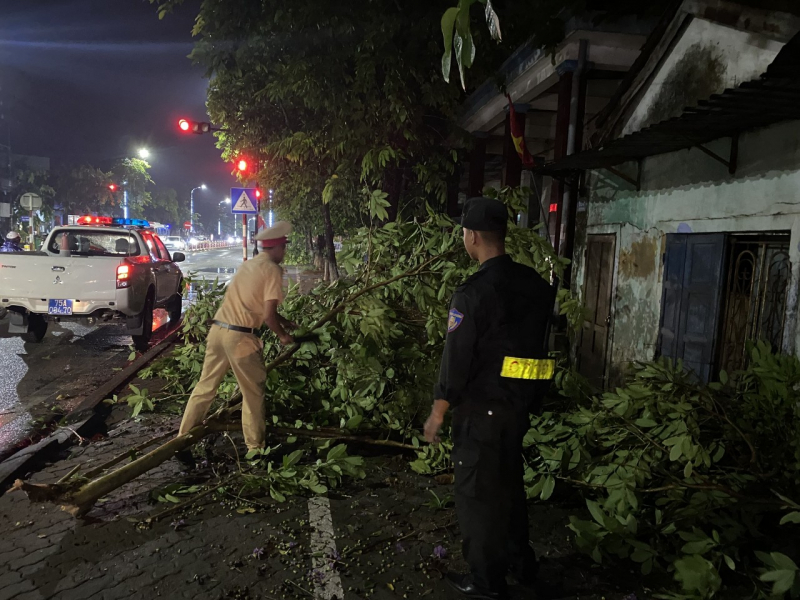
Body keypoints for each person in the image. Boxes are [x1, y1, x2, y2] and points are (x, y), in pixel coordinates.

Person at [423, 197, 556, 600]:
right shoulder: (536, 285)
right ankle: (521, 564)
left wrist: (439, 409)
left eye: (465, 233)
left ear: (474, 237)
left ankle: (486, 582)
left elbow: (457, 359)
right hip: (519, 407)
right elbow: (538, 349)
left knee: (479, 496)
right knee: (509, 487)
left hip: (482, 412)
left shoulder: (473, 293)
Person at [176, 221, 296, 463]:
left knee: (205, 387)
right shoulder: (272, 270)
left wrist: (286, 322)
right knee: (253, 392)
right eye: (283, 248)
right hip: (241, 339)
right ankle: (255, 449)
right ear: (276, 248)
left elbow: (256, 304)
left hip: (218, 332)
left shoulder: (248, 265)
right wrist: (283, 336)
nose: (284, 253)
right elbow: (268, 316)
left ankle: (182, 441)